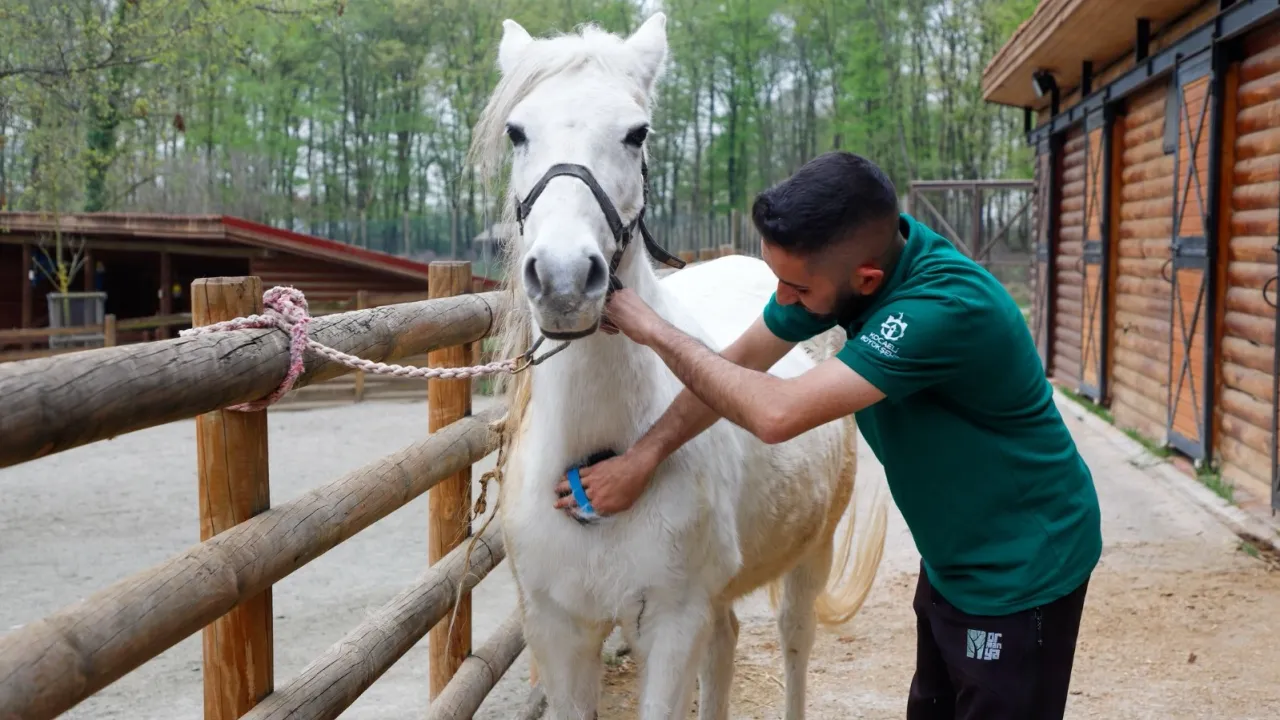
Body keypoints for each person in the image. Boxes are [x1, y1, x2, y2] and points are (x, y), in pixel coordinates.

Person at [552, 150, 1102, 719]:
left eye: (795, 287)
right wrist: (642, 457)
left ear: (866, 279)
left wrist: (653, 329)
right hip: (953, 560)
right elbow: (734, 367)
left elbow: (776, 414)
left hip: (1020, 568)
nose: (783, 299)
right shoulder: (845, 271)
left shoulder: (941, 309)